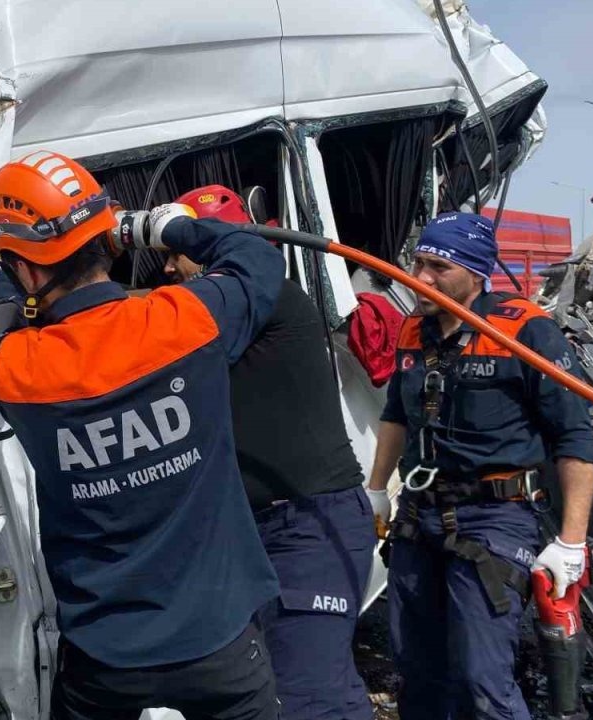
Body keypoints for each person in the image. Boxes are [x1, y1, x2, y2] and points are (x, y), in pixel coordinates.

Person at [0, 151, 285, 719]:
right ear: (106, 237)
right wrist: (167, 228)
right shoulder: (185, 320)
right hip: (219, 640)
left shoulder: (16, 371)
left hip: (107, 656)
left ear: (25, 269)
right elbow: (256, 259)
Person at [366, 211, 593, 719]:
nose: (420, 278)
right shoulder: (413, 329)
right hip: (419, 516)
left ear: (476, 273)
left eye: (437, 268)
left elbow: (575, 437)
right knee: (416, 666)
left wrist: (571, 542)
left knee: (482, 678)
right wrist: (377, 487)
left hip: (494, 518)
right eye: (417, 263)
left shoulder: (525, 332)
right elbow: (395, 415)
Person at [164, 184, 379, 720]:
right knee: (285, 692)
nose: (167, 269)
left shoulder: (273, 301)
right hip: (255, 534)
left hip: (307, 527)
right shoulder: (213, 316)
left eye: (177, 253)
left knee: (310, 698)